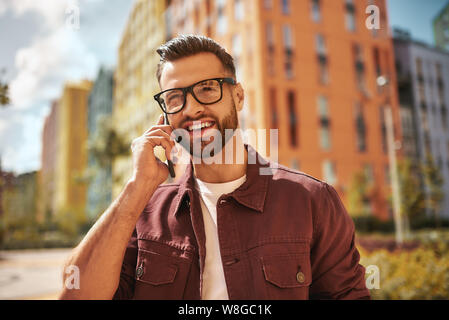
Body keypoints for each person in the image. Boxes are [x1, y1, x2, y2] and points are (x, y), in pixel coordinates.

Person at [59, 35, 370, 300]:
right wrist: (135, 189)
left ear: (238, 96)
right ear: (165, 114)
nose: (192, 108)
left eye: (207, 89)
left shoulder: (311, 200)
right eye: (175, 98)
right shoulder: (142, 211)